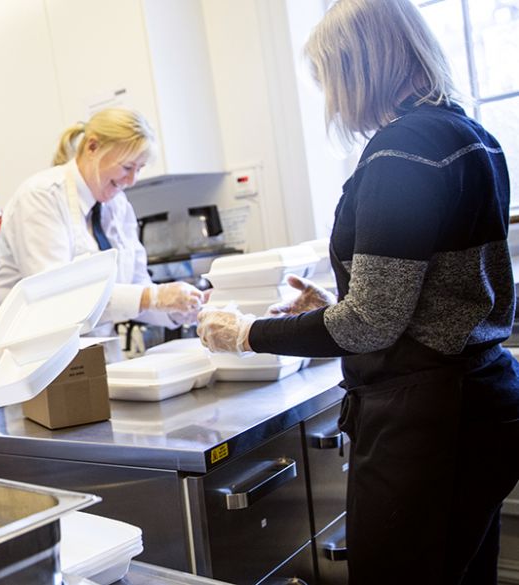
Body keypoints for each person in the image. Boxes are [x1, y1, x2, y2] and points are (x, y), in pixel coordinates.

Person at [197, 1, 519, 582]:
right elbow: (434, 290)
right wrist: (333, 307)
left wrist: (244, 333)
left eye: (328, 79)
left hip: (428, 422)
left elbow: (371, 323)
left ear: (359, 68)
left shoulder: (402, 152)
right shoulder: (472, 136)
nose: (331, 98)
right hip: (480, 402)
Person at [0, 108, 206, 362]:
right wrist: (153, 297)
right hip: (37, 359)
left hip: (98, 356)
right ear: (92, 147)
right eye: (127, 167)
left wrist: (179, 307)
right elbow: (56, 296)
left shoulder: (119, 205)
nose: (132, 180)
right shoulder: (41, 197)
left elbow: (138, 285)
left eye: (140, 169)